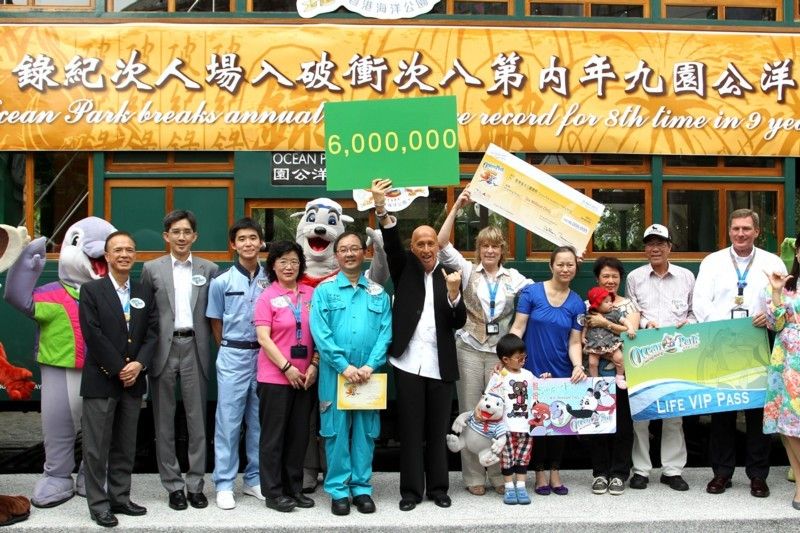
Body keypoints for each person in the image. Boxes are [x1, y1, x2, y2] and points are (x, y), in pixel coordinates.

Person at [372, 179, 467, 512]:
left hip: (441, 365)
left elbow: (458, 321)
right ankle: (411, 492)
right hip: (408, 363)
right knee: (411, 431)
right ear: (413, 248)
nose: (426, 248)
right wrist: (381, 207)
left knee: (437, 430)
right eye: (420, 244)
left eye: (430, 243)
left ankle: (439, 488)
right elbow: (390, 241)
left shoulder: (451, 274)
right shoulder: (404, 269)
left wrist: (454, 295)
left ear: (437, 247)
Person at [436, 189, 532, 496]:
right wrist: (457, 207)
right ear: (478, 249)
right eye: (484, 245)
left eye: (495, 246)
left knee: (500, 413)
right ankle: (473, 475)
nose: (490, 250)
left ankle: (498, 473)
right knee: (470, 411)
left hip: (499, 356)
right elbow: (441, 243)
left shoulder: (514, 278)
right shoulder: (466, 270)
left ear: (502, 250)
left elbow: (544, 291)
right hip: (469, 349)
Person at [693, 208, 786, 498]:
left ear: (757, 231)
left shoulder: (772, 261)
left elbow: (782, 300)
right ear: (729, 231)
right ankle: (722, 473)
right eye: (736, 229)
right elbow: (700, 300)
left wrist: (768, 315)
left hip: (758, 339)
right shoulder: (713, 261)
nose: (741, 234)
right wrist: (721, 327)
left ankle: (758, 475)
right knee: (723, 409)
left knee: (757, 411)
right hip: (721, 339)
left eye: (746, 229)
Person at [79, 231, 158, 528]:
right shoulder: (91, 290)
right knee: (96, 447)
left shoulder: (143, 291)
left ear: (135, 255)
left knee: (125, 444)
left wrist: (139, 364)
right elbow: (92, 333)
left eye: (129, 250)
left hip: (134, 380)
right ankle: (98, 505)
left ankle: (120, 497)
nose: (124, 255)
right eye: (118, 250)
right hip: (102, 379)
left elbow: (153, 332)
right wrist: (118, 368)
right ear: (107, 256)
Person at [141, 210, 218, 511]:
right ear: (166, 236)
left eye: (187, 232)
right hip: (164, 348)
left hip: (195, 347)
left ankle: (196, 485)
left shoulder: (209, 269)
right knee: (164, 421)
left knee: (197, 421)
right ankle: (173, 485)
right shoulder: (151, 269)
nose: (181, 237)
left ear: (195, 236)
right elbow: (145, 314)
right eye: (176, 232)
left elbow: (216, 313)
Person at [310, 231, 392, 516]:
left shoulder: (379, 293)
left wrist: (371, 365)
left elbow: (385, 332)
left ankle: (361, 488)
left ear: (364, 253)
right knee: (334, 431)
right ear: (336, 255)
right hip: (335, 374)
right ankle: (338, 489)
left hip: (369, 374)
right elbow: (321, 333)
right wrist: (344, 366)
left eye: (354, 248)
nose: (349, 254)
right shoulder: (324, 291)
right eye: (343, 249)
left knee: (365, 432)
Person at [510, 245, 585, 496]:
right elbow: (518, 328)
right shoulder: (531, 293)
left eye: (570, 264)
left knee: (559, 424)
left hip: (561, 372)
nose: (565, 269)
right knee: (537, 423)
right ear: (551, 266)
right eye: (560, 264)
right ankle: (539, 472)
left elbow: (575, 341)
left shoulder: (577, 303)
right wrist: (509, 358)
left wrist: (578, 366)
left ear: (576, 267)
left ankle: (555, 471)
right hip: (532, 370)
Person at [626, 224, 695, 492]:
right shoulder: (634, 277)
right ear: (645, 249)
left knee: (674, 414)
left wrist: (688, 323)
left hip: (677, 352)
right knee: (641, 414)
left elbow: (694, 312)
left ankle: (672, 470)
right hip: (645, 352)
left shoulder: (686, 276)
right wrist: (645, 323)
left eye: (660, 243)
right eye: (650, 244)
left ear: (669, 247)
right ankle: (641, 470)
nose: (655, 248)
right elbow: (631, 311)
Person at [206, 218, 269, 509]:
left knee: (259, 421)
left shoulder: (271, 279)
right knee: (228, 421)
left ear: (261, 242)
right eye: (242, 239)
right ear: (233, 244)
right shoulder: (221, 282)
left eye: (253, 238)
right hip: (233, 356)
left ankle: (254, 480)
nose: (248, 243)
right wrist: (230, 349)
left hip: (265, 356)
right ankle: (224, 483)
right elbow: (215, 322)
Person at [254, 240, 318, 513]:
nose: (289, 266)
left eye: (294, 261)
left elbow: (321, 333)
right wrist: (286, 367)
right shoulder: (267, 296)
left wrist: (314, 365)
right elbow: (263, 338)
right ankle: (273, 492)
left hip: (306, 378)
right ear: (273, 266)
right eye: (282, 261)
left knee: (299, 436)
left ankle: (294, 488)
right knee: (273, 437)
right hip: (275, 378)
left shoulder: (311, 293)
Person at [585, 256, 639, 496]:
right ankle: (599, 473)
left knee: (623, 426)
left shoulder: (628, 306)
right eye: (605, 276)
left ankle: (619, 473)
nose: (610, 280)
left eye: (614, 276)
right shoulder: (587, 305)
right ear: (597, 279)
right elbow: (581, 335)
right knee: (597, 423)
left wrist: (604, 324)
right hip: (596, 377)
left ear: (620, 279)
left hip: (622, 375)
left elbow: (631, 336)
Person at [764, 236, 800, 509]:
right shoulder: (787, 286)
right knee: (788, 428)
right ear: (797, 253)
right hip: (787, 362)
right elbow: (774, 324)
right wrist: (776, 292)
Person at [484, 334, 537, 505]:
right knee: (507, 458)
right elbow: (490, 399)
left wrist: (544, 379)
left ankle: (521, 486)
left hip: (526, 426)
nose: (523, 361)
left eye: (524, 357)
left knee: (523, 457)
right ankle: (508, 487)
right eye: (519, 358)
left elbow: (538, 392)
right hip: (505, 427)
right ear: (505, 359)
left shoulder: (528, 375)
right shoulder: (500, 376)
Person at [583, 286, 636, 389]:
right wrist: (582, 336)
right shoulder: (591, 315)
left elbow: (625, 321)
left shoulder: (614, 313)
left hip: (610, 342)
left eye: (611, 301)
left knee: (619, 358)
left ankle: (620, 377)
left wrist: (630, 328)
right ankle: (595, 381)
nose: (611, 303)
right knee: (592, 363)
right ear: (597, 305)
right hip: (594, 343)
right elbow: (585, 326)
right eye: (606, 302)